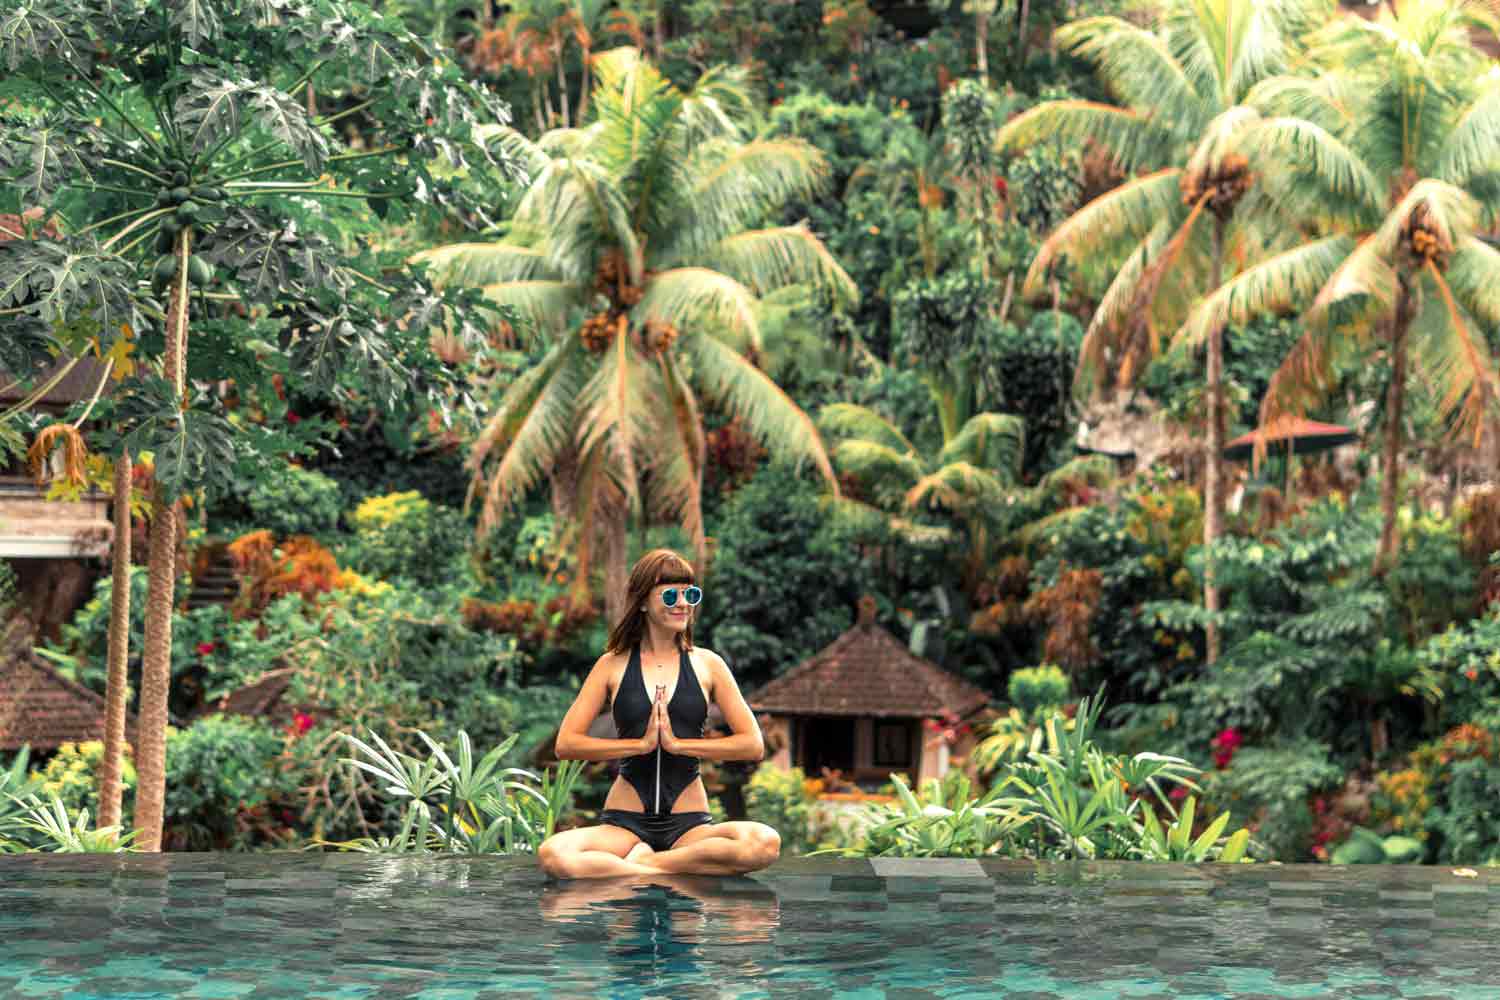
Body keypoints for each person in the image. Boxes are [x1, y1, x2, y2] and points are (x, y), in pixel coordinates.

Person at [537, 548, 781, 879]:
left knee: (764, 842)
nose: (683, 603)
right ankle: (658, 864)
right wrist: (638, 746)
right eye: (670, 595)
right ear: (642, 602)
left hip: (689, 824)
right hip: (625, 823)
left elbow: (752, 745)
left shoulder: (708, 664)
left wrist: (680, 746)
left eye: (690, 594)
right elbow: (567, 743)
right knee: (554, 854)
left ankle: (646, 866)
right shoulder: (612, 664)